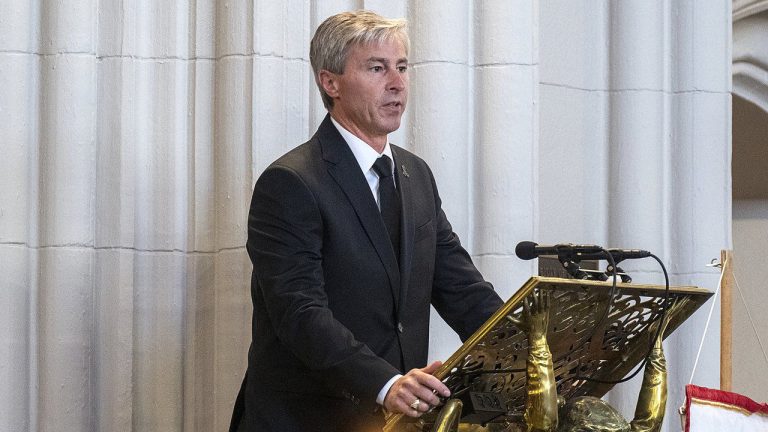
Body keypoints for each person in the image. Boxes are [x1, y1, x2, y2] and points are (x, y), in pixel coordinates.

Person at [229, 10, 504, 432]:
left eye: (402, 67)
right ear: (330, 82)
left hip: (394, 422)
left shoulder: (416, 176)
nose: (397, 83)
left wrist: (530, 346)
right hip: (307, 418)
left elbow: (462, 289)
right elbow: (299, 313)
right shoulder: (291, 182)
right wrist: (386, 382)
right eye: (377, 68)